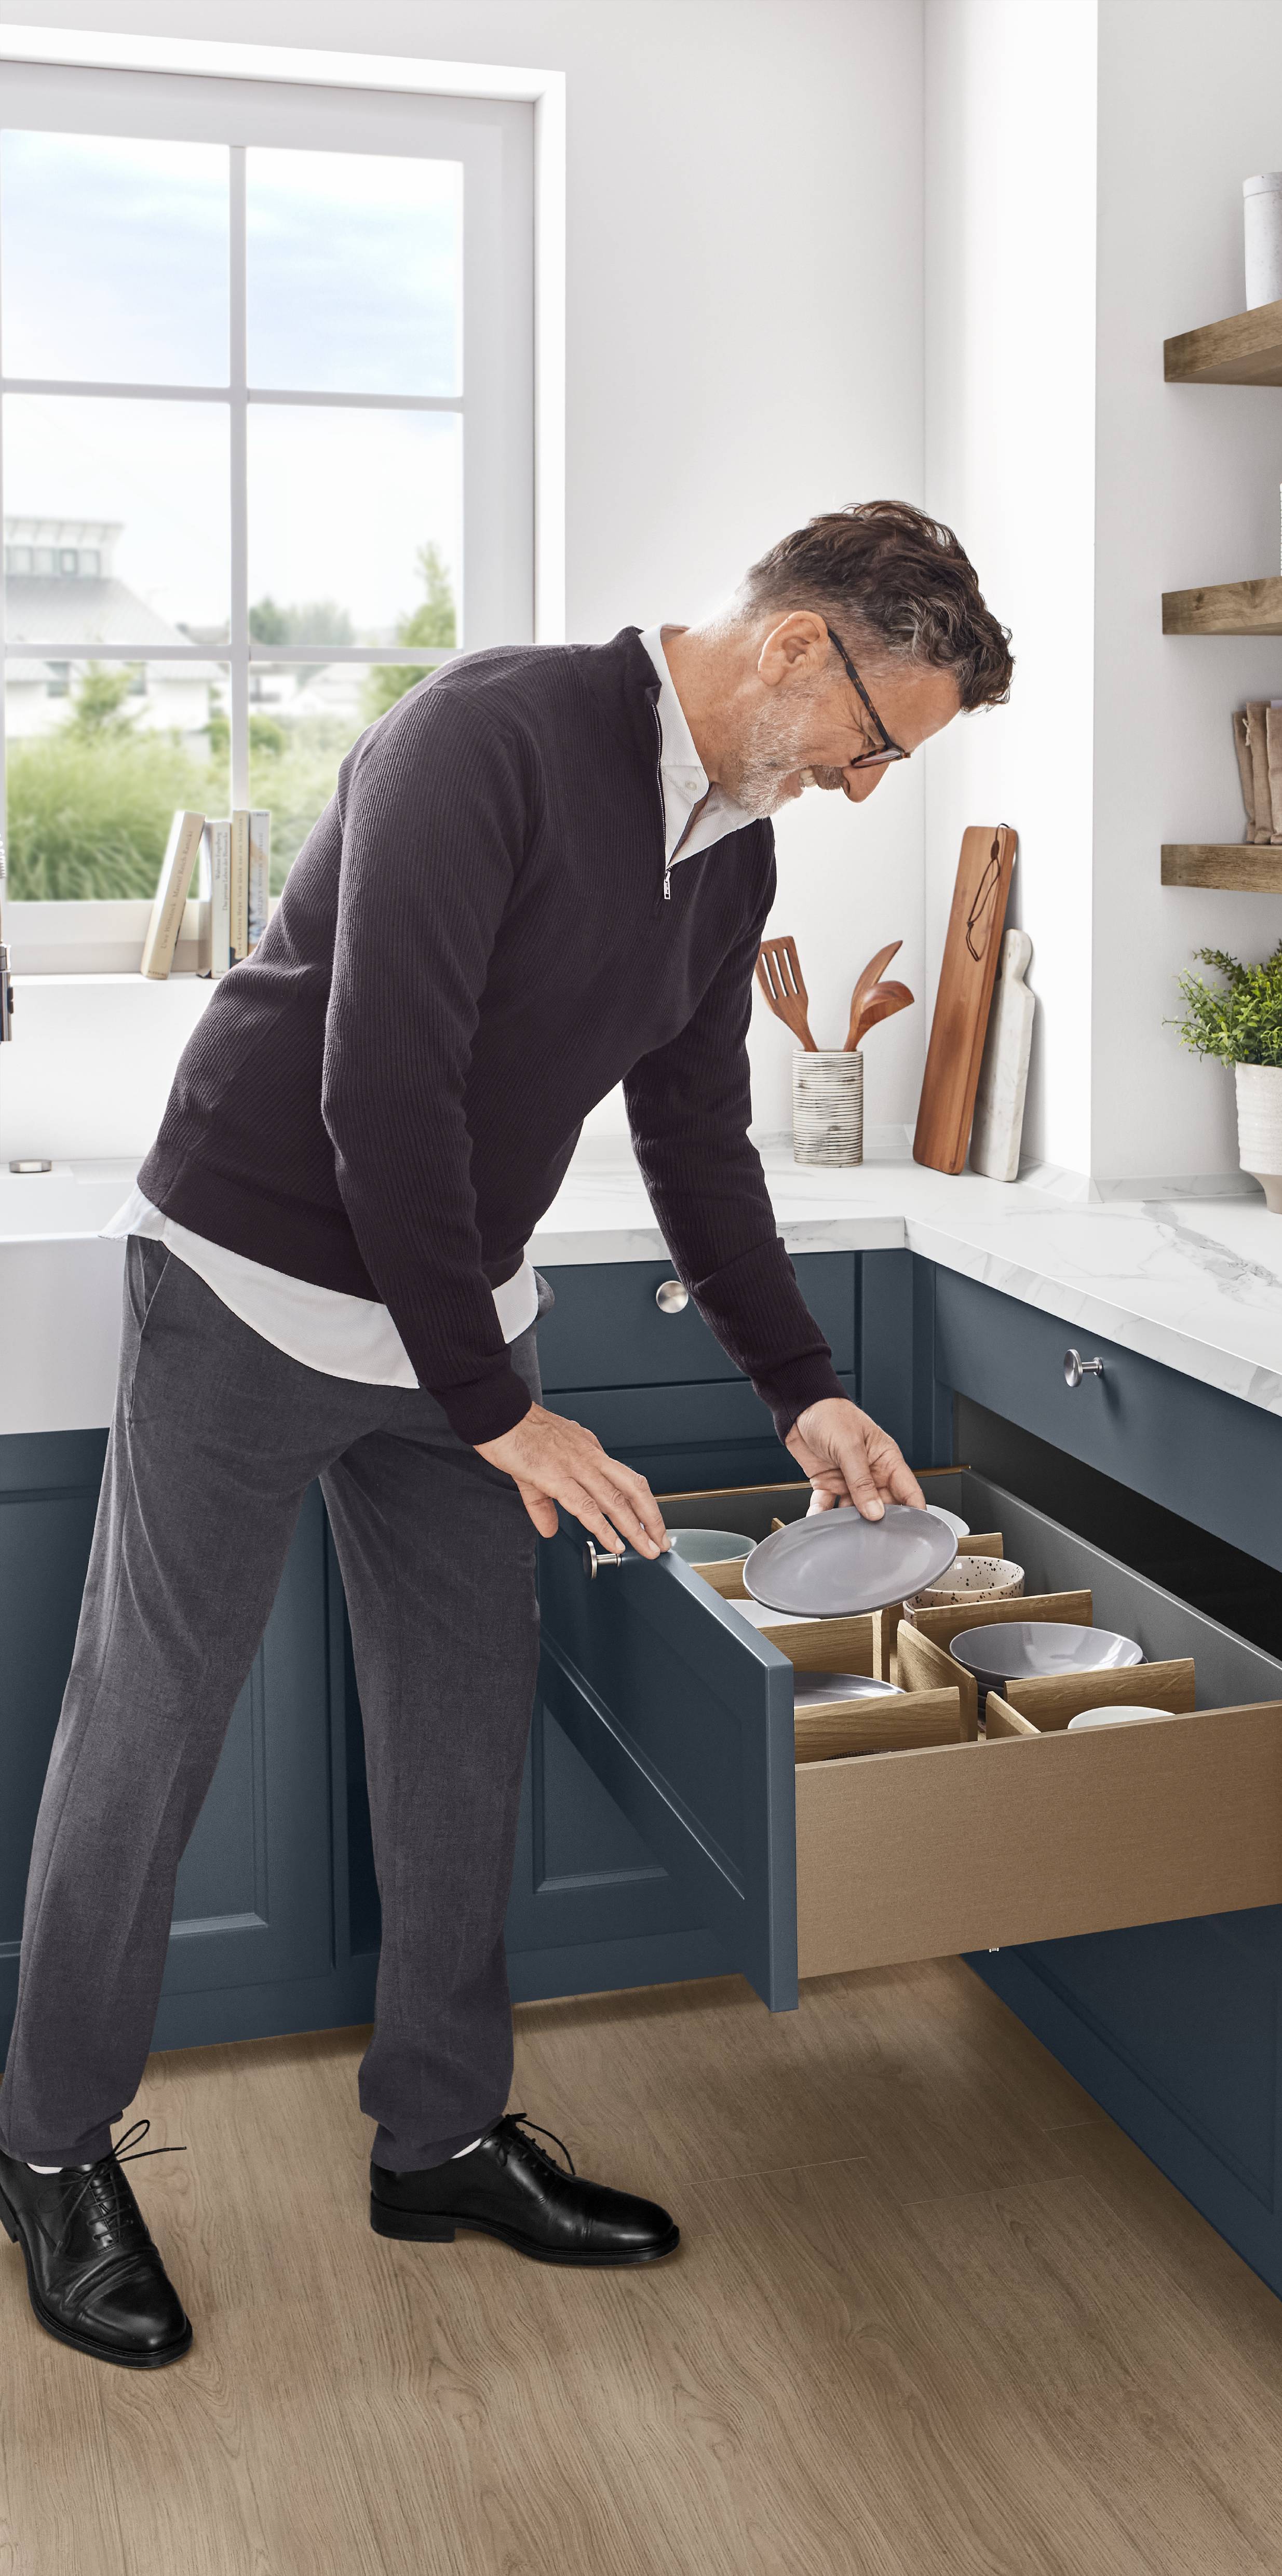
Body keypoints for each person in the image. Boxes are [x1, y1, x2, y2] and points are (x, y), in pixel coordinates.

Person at [0, 500, 1014, 2368]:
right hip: (251, 1278)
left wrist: (803, 1383)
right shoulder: (489, 737)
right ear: (797, 645)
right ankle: (53, 2147)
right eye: (877, 741)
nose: (870, 786)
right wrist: (503, 1410)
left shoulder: (729, 867)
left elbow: (697, 1142)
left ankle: (439, 2133)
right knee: (148, 1725)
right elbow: (379, 1083)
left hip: (461, 1323)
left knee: (464, 1732)